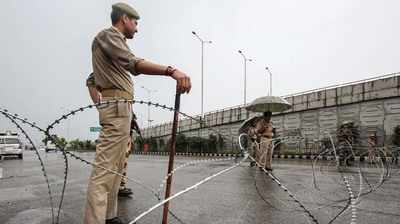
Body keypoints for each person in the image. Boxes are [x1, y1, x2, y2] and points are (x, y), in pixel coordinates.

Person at [84, 3, 191, 224]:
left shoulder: (112, 45)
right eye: (135, 22)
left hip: (120, 107)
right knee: (105, 169)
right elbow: (133, 64)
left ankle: (109, 216)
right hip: (116, 106)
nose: (137, 28)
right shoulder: (109, 36)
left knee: (115, 168)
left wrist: (103, 104)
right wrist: (170, 71)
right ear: (124, 18)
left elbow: (92, 79)